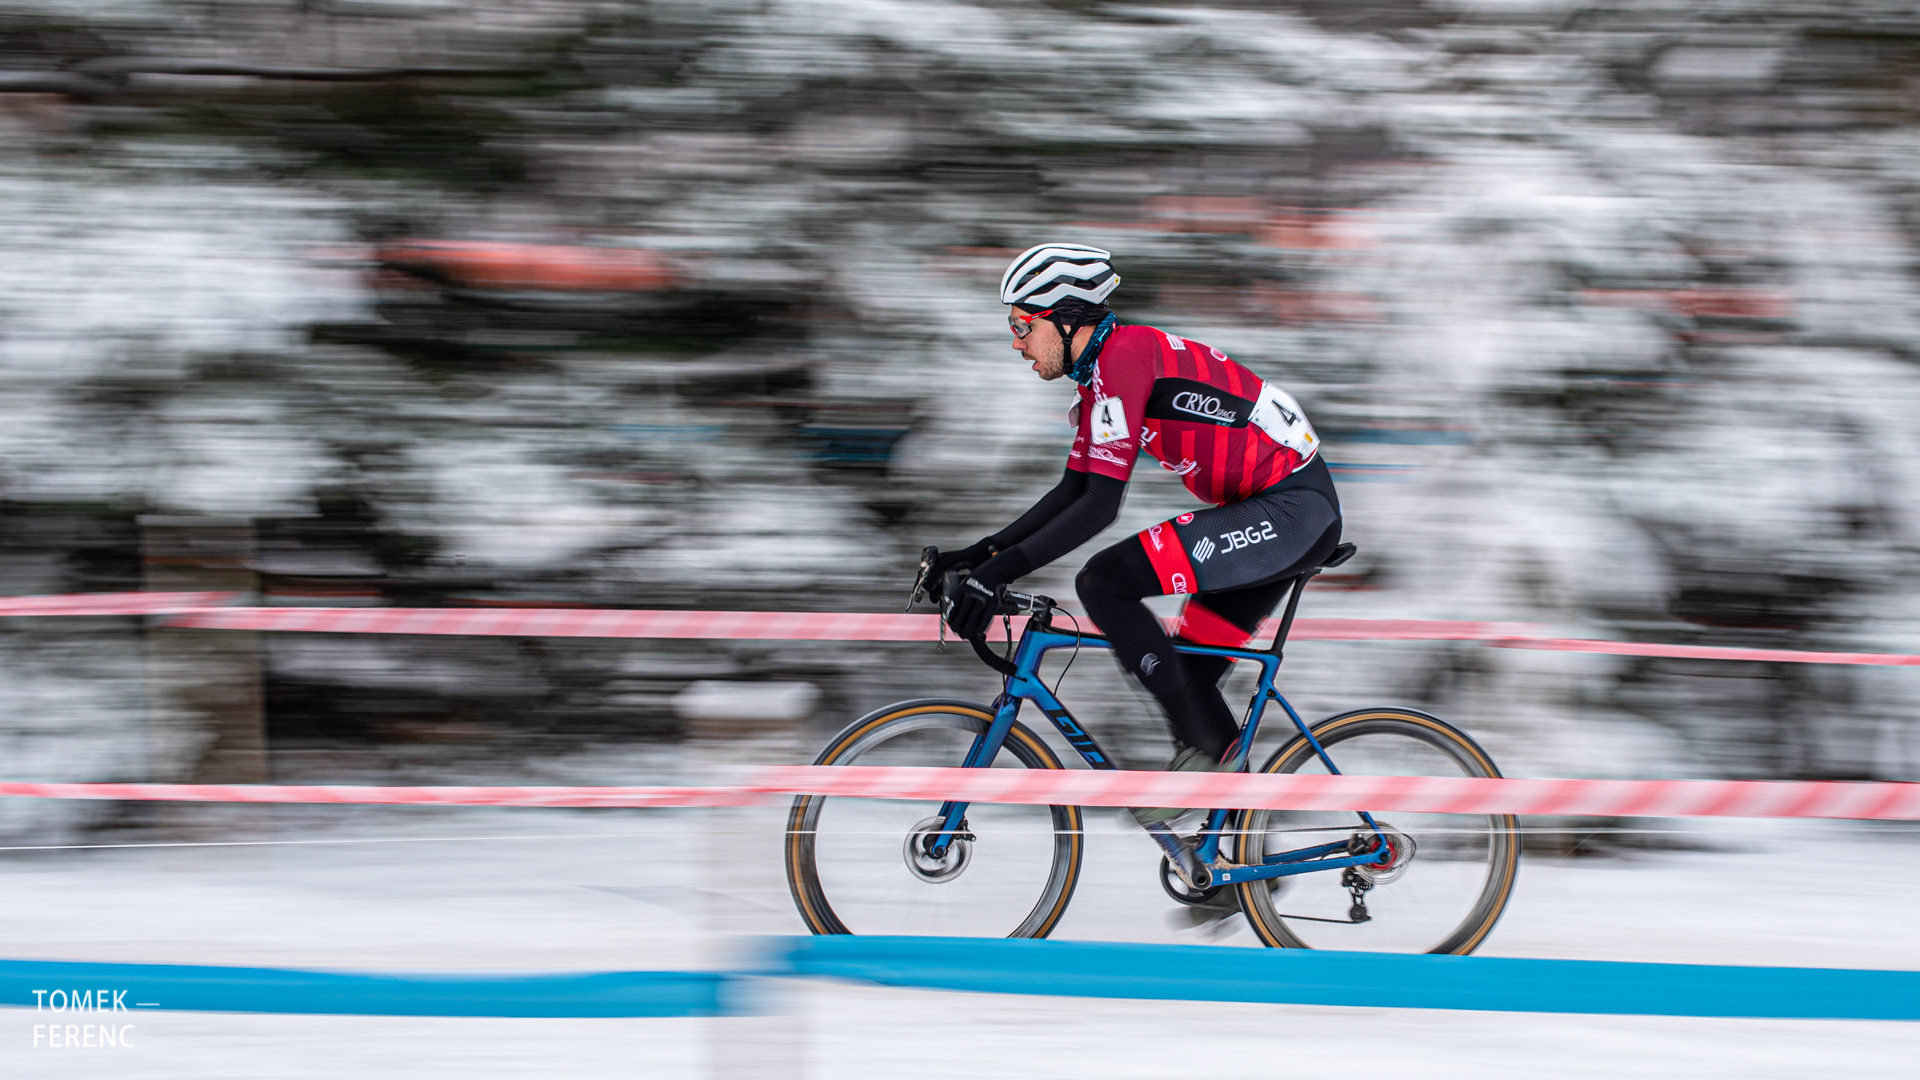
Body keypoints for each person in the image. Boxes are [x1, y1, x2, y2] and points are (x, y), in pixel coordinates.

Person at [931, 242, 1343, 824]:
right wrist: (979, 556)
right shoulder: (1103, 377)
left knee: (1105, 582)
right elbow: (1073, 490)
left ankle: (1206, 761)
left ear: (1066, 319)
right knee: (1189, 675)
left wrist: (997, 574)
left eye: (1023, 325)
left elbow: (1100, 507)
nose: (1017, 342)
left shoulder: (1124, 358)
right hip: (1275, 513)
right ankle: (1232, 855)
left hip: (1291, 511)